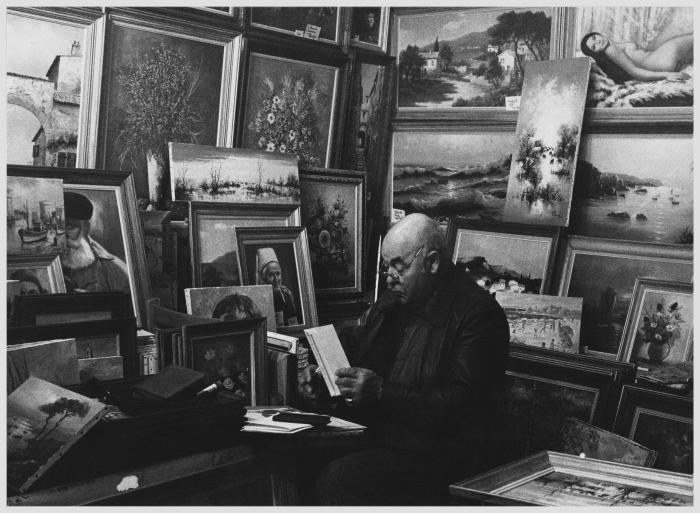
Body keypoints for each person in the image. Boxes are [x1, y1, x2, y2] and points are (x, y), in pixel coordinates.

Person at [297, 213, 510, 505]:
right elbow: (359, 352)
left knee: (339, 479)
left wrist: (381, 392)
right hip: (376, 436)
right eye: (387, 266)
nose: (389, 277)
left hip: (435, 456)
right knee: (293, 461)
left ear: (432, 262)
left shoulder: (479, 316)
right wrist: (325, 378)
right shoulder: (392, 300)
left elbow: (463, 407)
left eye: (399, 266)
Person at [61, 191, 131, 293]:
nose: (62, 235)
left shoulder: (113, 270)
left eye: (70, 227)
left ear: (86, 228)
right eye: (57, 228)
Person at [580, 31, 692, 83]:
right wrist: (666, 75)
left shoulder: (612, 46)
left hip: (661, 59)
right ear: (596, 53)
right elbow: (635, 72)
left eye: (595, 37)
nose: (598, 41)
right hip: (661, 59)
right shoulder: (611, 50)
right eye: (594, 46)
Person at [256, 247, 299, 326]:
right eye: (271, 275)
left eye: (278, 274)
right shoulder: (261, 299)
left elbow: (293, 321)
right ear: (263, 277)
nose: (276, 279)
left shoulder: (287, 294)